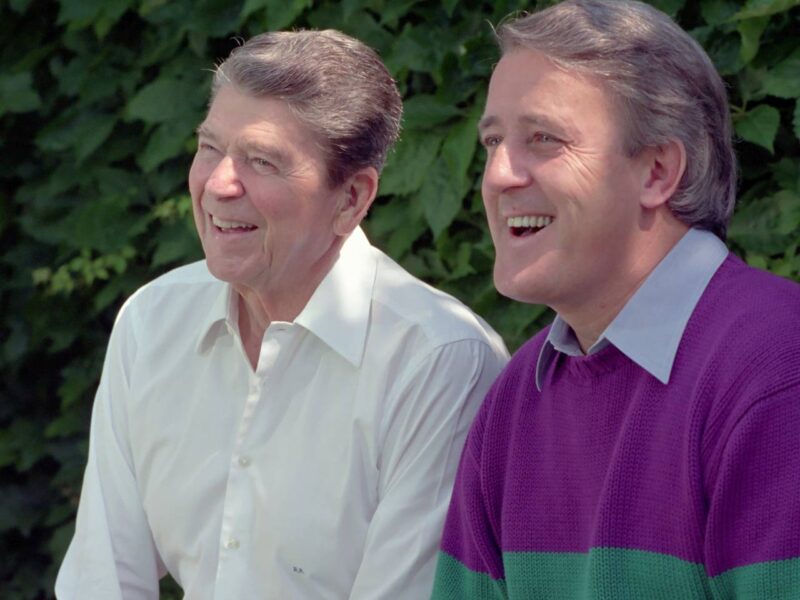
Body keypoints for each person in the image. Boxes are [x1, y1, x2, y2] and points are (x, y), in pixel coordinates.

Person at [56, 29, 508, 599]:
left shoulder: (438, 362)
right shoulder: (151, 322)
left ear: (352, 198)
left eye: (261, 161)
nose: (218, 184)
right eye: (210, 148)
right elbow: (104, 580)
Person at [432, 1, 800, 598]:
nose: (497, 174)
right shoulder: (515, 399)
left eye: (542, 139)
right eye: (493, 140)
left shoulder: (777, 370)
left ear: (656, 171)